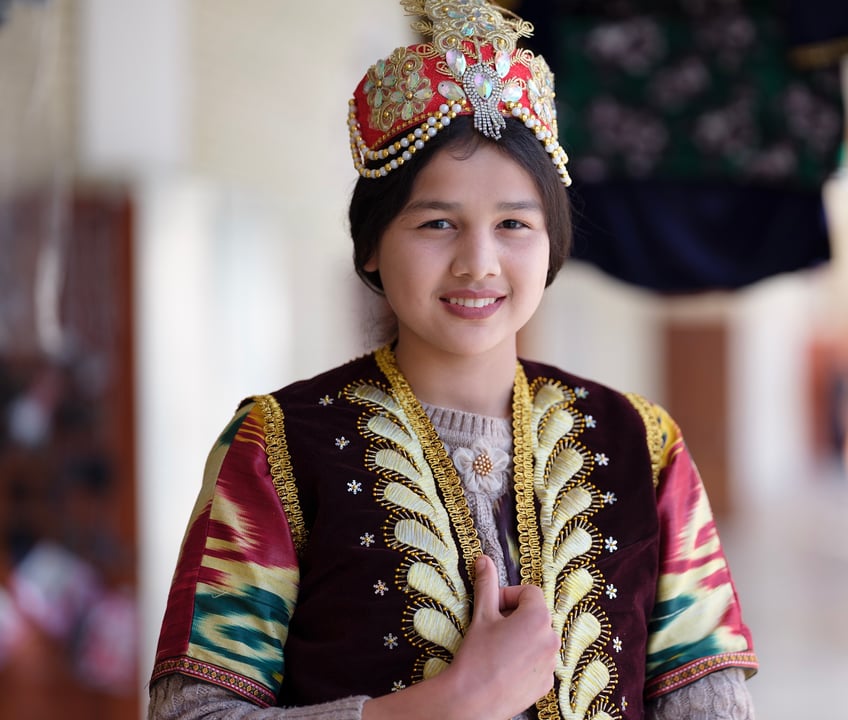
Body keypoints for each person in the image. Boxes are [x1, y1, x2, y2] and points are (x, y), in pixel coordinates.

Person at [148, 1, 758, 718]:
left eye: (513, 225)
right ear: (372, 244)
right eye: (437, 223)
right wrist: (455, 703)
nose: (478, 262)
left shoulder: (642, 446)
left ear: (552, 244)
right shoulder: (277, 444)